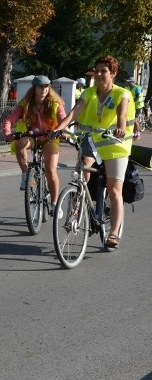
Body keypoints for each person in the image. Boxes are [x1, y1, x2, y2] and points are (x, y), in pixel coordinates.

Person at [54, 55, 135, 248]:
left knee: (114, 188)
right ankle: (78, 204)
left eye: (103, 71)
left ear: (113, 73)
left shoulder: (122, 93)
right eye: (97, 70)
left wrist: (121, 127)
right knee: (82, 172)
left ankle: (113, 233)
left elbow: (121, 114)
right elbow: (75, 110)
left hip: (115, 144)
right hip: (91, 141)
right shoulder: (89, 93)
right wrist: (59, 128)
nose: (98, 74)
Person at [2, 75, 67, 211]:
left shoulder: (55, 103)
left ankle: (55, 204)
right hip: (33, 136)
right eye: (40, 86)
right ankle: (26, 174)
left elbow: (63, 121)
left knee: (50, 170)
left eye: (46, 86)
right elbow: (9, 119)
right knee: (19, 142)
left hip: (50, 138)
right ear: (34, 88)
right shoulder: (26, 104)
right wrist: (7, 133)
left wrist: (62, 131)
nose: (43, 89)